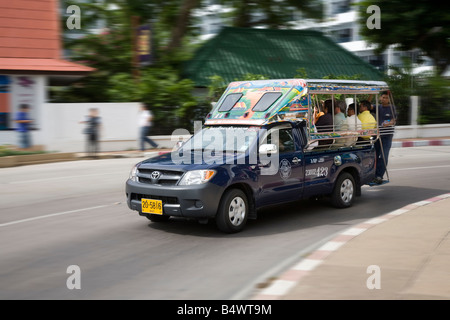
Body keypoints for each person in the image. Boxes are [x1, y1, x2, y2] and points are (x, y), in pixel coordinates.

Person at [372, 91, 397, 184]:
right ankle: (373, 174)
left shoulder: (392, 108)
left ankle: (379, 176)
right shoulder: (377, 107)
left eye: (386, 98)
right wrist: (371, 93)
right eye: (383, 97)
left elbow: (394, 120)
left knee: (383, 156)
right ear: (380, 98)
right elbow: (367, 106)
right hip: (378, 136)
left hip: (387, 136)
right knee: (375, 155)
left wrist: (389, 123)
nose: (384, 99)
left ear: (389, 99)